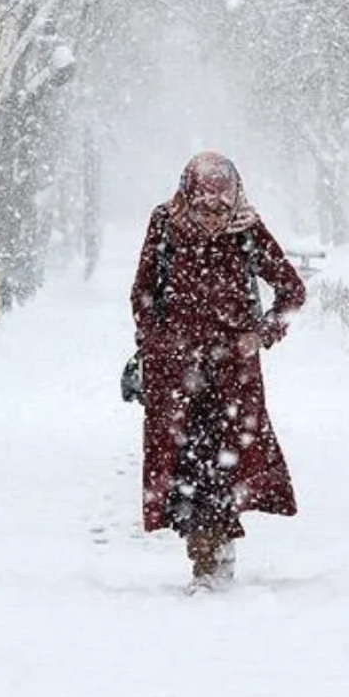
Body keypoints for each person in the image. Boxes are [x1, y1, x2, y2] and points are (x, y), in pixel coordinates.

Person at [129, 151, 306, 592]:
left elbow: (291, 291)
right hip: (176, 374)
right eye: (204, 208)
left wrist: (261, 334)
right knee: (185, 467)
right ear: (188, 197)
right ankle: (205, 554)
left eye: (221, 208)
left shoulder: (247, 230)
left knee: (223, 465)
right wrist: (157, 343)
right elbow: (143, 292)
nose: (212, 218)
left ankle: (214, 558)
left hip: (233, 376)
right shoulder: (165, 224)